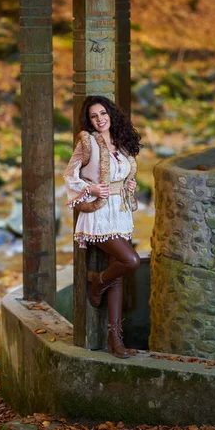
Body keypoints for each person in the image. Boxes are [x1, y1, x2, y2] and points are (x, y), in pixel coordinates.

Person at [64, 95, 142, 359]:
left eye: (102, 114)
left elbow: (125, 173)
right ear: (89, 120)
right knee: (130, 260)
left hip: (119, 213)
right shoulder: (87, 142)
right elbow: (69, 175)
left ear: (111, 114)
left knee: (118, 276)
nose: (99, 120)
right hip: (98, 215)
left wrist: (130, 184)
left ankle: (115, 340)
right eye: (93, 116)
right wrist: (91, 188)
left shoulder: (122, 141)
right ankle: (97, 282)